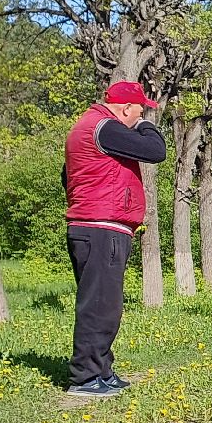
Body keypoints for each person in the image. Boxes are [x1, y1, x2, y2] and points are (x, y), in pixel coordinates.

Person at [62, 81, 167, 399]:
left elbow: (66, 176)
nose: (141, 115)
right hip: (100, 227)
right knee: (98, 305)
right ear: (125, 108)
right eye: (140, 109)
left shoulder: (89, 127)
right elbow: (155, 150)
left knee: (107, 304)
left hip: (97, 226)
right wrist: (146, 125)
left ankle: (102, 370)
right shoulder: (103, 126)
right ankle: (85, 378)